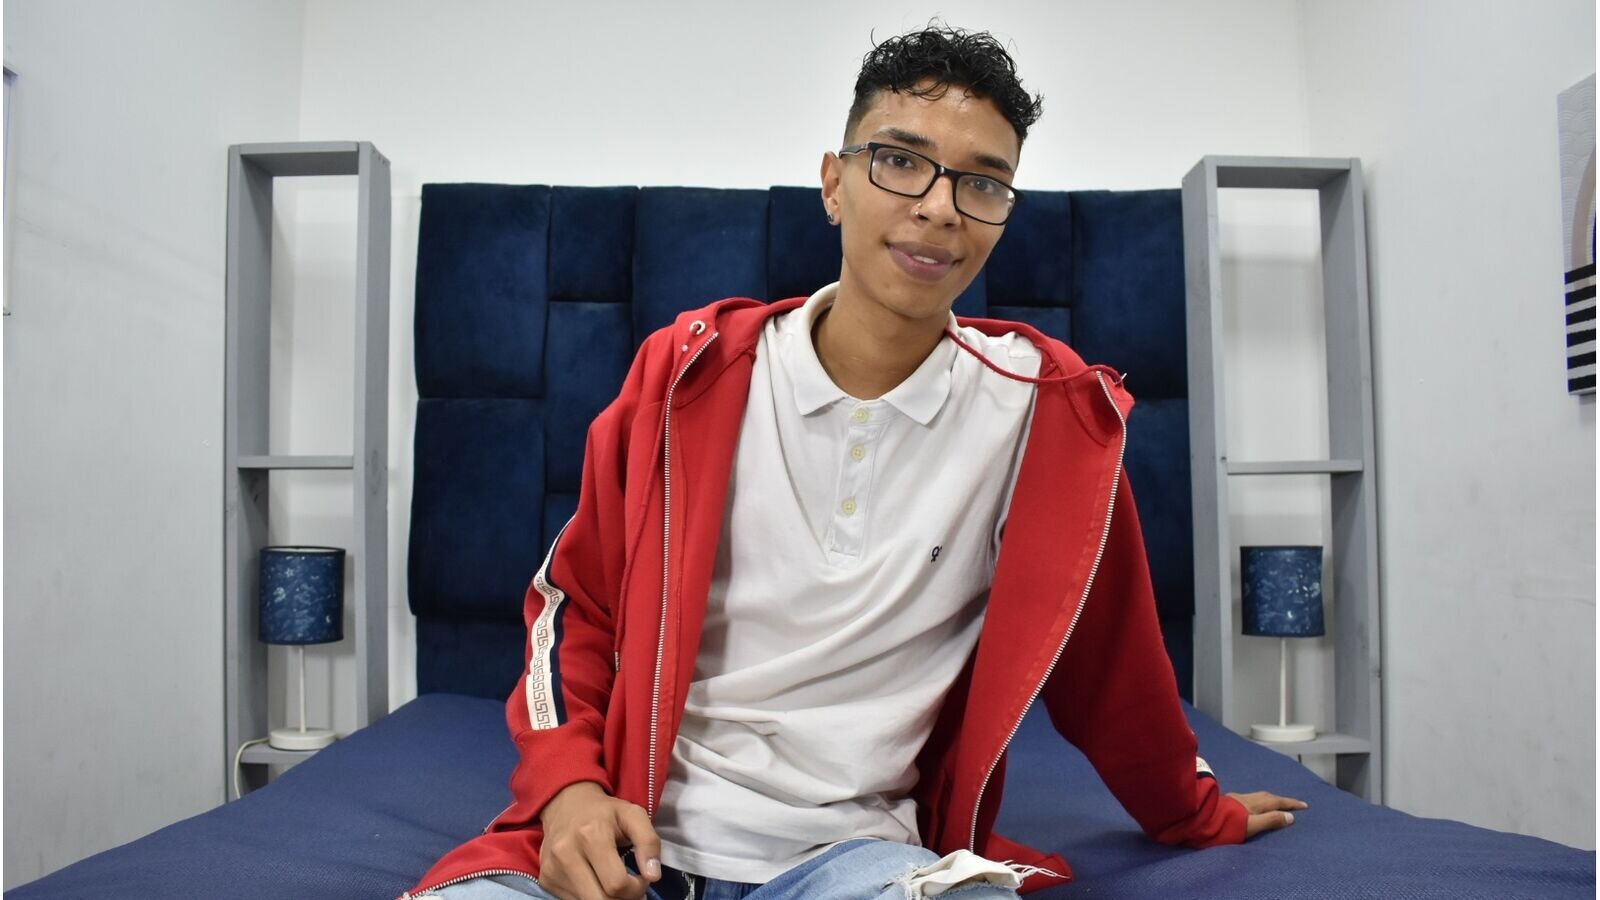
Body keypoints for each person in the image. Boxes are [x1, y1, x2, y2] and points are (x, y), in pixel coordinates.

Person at [403, 21, 1305, 900]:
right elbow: (575, 605)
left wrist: (1196, 810)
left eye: (982, 183)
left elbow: (1114, 667)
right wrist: (568, 792)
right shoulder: (688, 375)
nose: (940, 207)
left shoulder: (1047, 415)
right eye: (902, 161)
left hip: (859, 863)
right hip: (633, 843)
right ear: (833, 183)